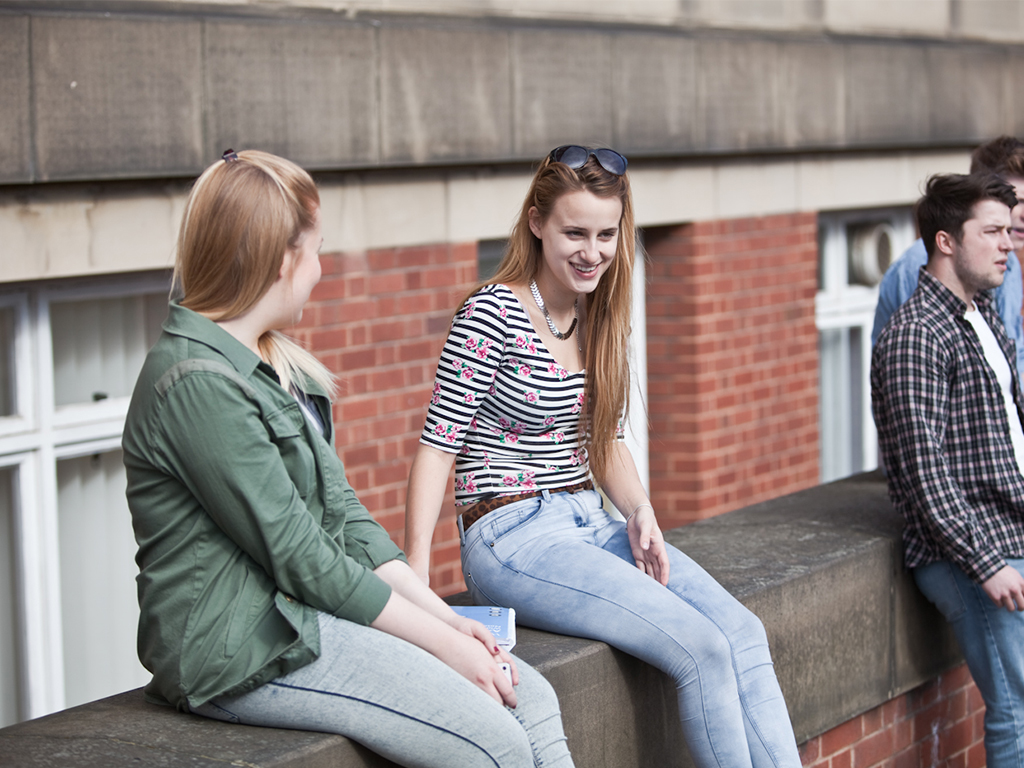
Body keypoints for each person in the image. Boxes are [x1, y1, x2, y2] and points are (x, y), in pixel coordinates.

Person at [122, 149, 574, 768]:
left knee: (534, 696)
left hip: (300, 618)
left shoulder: (271, 365)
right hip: (238, 650)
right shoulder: (197, 382)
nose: (319, 270)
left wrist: (447, 619)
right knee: (492, 744)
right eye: (314, 250)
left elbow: (342, 517)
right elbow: (300, 554)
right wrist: (441, 643)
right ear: (280, 260)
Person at [404, 145, 802, 768]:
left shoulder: (598, 313)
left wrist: (640, 509)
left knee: (743, 634)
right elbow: (437, 446)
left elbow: (606, 440)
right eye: (574, 232)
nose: (592, 251)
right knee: (699, 646)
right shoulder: (491, 312)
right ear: (537, 223)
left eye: (605, 234)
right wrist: (417, 581)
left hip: (593, 521)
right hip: (513, 537)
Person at [872, 172, 1024, 768]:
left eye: (1009, 231)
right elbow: (921, 470)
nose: (1008, 243)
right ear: (945, 241)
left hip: (1008, 533)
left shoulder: (981, 317)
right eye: (992, 231)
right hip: (970, 554)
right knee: (1016, 711)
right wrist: (985, 562)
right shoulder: (916, 335)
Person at [871, 136, 1024, 381]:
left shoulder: (1010, 264)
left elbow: (1014, 357)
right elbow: (919, 382)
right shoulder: (921, 265)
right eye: (1017, 201)